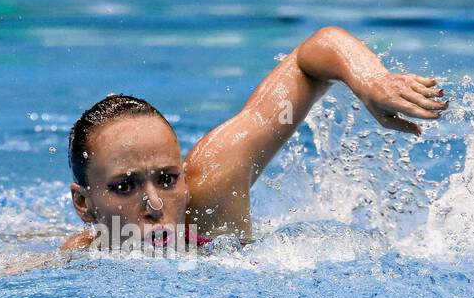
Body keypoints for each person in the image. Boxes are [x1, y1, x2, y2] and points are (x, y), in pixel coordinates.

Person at [62, 26, 445, 252]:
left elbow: (313, 53)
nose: (155, 203)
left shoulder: (211, 191)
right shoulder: (79, 261)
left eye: (167, 178)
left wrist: (371, 79)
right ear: (84, 203)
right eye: (125, 186)